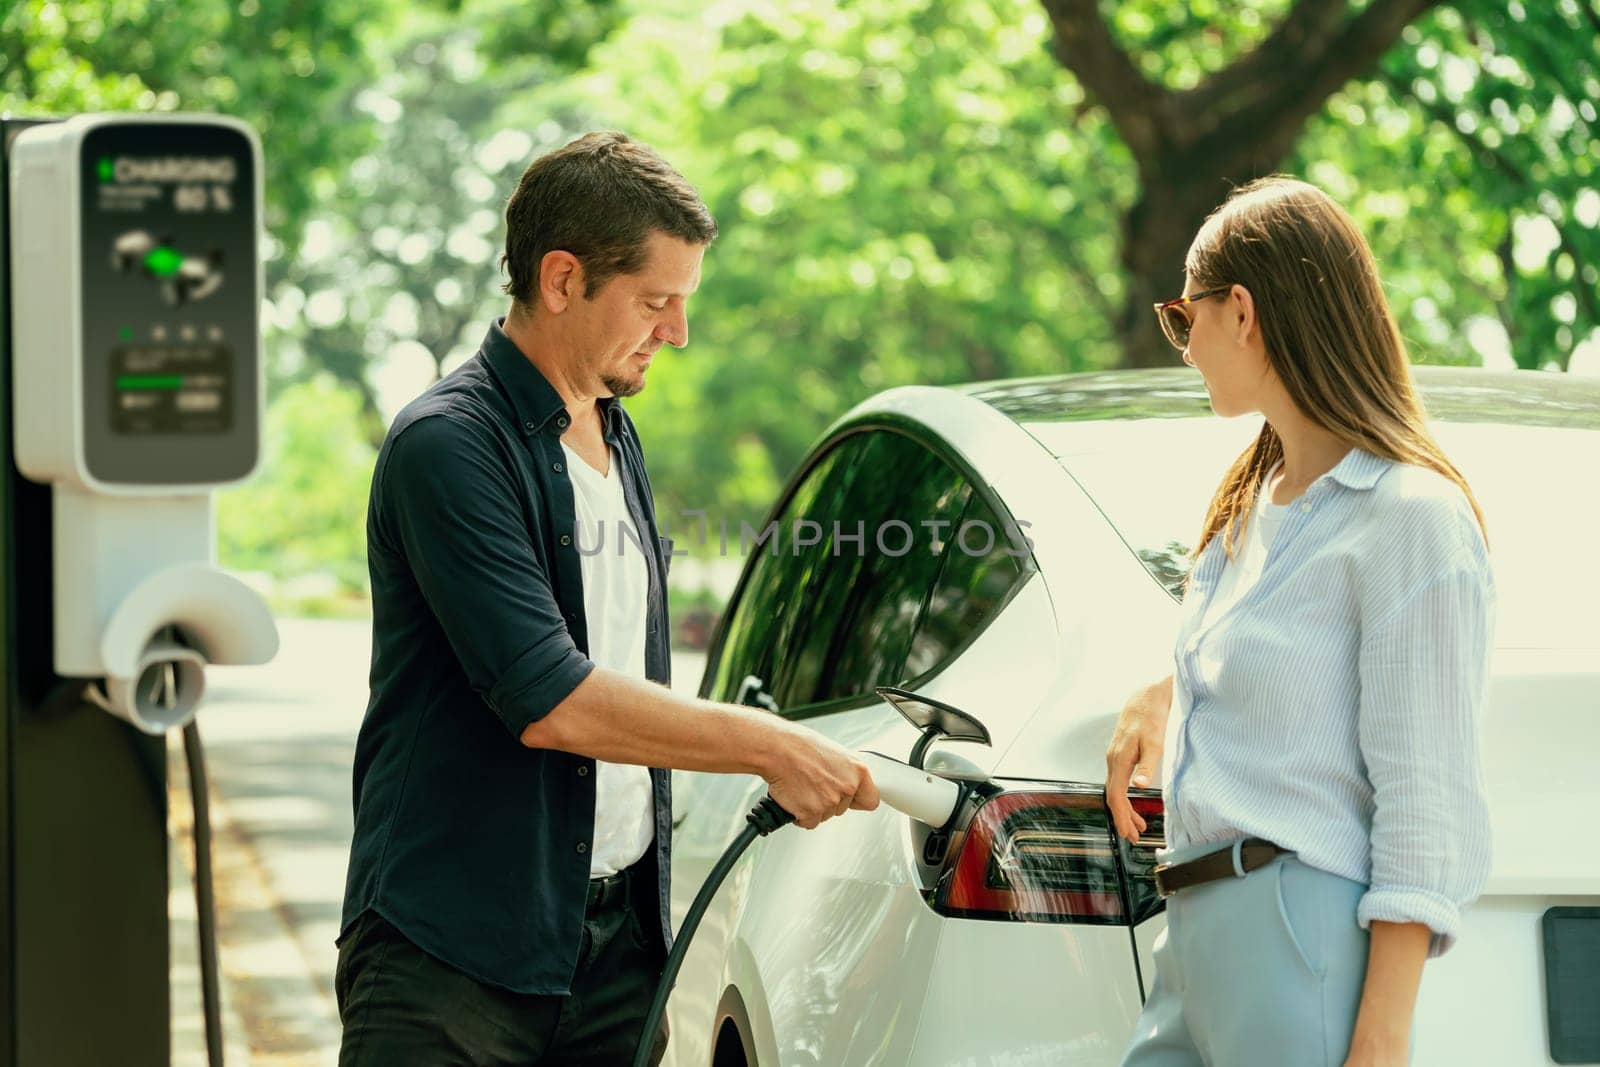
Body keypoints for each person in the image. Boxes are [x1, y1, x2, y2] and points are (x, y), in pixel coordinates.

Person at [334, 131, 879, 1067]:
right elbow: (549, 697)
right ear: (560, 279)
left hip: (615, 963)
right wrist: (772, 745)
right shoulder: (447, 445)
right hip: (450, 958)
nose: (676, 330)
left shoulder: (614, 434)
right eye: (656, 300)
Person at [1105, 177, 1496, 1067]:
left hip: (1294, 927)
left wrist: (1381, 1040)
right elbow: (1283, 657)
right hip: (1194, 934)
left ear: (1240, 311)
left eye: (1184, 317)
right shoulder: (1249, 509)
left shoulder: (1410, 516)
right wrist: (1166, 689)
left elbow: (1426, 796)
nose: (1185, 346)